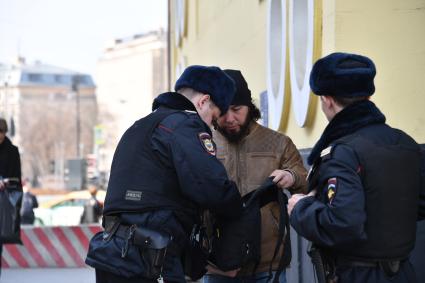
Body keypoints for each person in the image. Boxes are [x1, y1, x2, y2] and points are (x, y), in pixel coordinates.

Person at [86, 65, 245, 283]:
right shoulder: (186, 125)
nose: (212, 126)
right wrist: (240, 205)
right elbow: (211, 188)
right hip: (152, 258)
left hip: (112, 253)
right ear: (203, 101)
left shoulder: (139, 127)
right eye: (214, 117)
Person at [288, 52, 422, 283]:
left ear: (327, 100)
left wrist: (301, 208)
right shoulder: (405, 143)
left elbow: (343, 223)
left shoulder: (343, 152)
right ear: (368, 96)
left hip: (358, 275)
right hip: (404, 272)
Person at [204, 70, 307, 283]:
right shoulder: (203, 144)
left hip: (267, 262)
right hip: (219, 262)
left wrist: (291, 176)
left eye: (237, 109)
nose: (230, 118)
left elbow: (304, 182)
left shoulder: (278, 143)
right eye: (223, 111)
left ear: (250, 107)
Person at [0, 118, 22, 278]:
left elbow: (17, 178)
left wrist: (6, 181)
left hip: (3, 203)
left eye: (1, 132)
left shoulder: (12, 151)